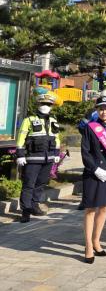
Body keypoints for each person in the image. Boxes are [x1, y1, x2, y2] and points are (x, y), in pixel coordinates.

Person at [80, 95, 106, 263]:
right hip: (93, 173)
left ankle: (96, 241)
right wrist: (96, 169)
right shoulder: (90, 128)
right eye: (101, 108)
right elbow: (85, 152)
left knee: (104, 208)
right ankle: (88, 246)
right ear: (97, 110)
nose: (104, 111)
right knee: (90, 209)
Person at [15, 93, 61, 223]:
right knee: (29, 185)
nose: (45, 106)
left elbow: (57, 138)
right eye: (43, 104)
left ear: (51, 106)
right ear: (38, 104)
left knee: (40, 184)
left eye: (48, 104)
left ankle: (34, 206)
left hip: (48, 158)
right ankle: (26, 211)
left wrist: (56, 154)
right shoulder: (28, 120)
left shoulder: (53, 120)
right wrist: (20, 155)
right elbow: (21, 138)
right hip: (32, 159)